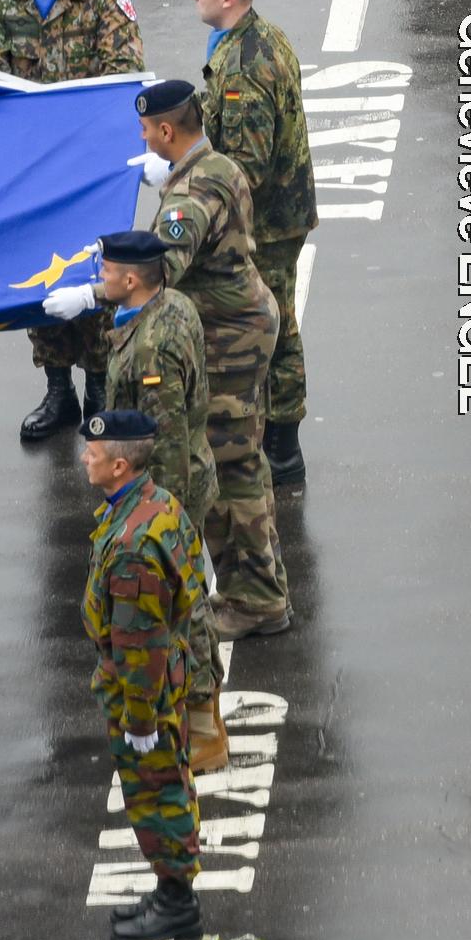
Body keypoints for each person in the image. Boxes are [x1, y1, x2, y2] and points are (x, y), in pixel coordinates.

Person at [44, 228, 224, 771]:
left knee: (178, 616)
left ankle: (201, 727)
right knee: (184, 604)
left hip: (170, 492)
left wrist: (154, 519)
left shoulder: (152, 349)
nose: (99, 283)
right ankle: (201, 715)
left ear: (129, 279)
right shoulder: (169, 305)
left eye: (105, 276)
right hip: (182, 480)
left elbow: (160, 440)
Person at [0, 0, 144, 441]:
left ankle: (97, 385)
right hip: (29, 172)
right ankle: (57, 389)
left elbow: (124, 79)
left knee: (93, 272)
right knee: (37, 273)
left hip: (89, 171)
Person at [132, 80, 288, 642]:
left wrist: (100, 287)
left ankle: (256, 601)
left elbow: (160, 269)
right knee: (246, 460)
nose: (145, 139)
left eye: (148, 130)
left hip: (227, 339)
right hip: (242, 325)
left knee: (228, 468)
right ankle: (264, 587)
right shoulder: (215, 165)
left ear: (167, 131)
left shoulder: (190, 194)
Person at [192, 0, 316, 489]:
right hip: (278, 217)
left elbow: (246, 165)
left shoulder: (245, 64)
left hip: (264, 224)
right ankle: (278, 441)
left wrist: (191, 177)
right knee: (275, 322)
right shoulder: (256, 38)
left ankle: (281, 447)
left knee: (271, 327)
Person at [81, 407, 203, 940]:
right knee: (165, 782)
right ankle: (170, 888)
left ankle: (177, 901)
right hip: (165, 672)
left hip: (143, 689)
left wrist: (138, 718)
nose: (86, 457)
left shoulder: (132, 547)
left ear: (120, 465)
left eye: (95, 453)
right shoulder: (156, 504)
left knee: (156, 790)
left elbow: (138, 645)